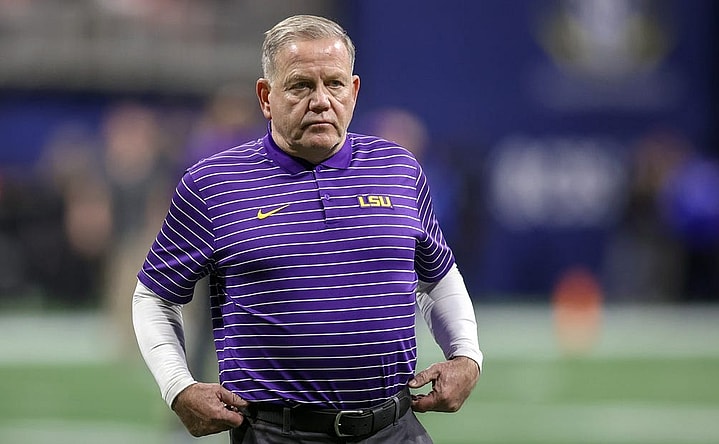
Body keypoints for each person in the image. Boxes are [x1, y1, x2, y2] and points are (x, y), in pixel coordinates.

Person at [132, 14, 482, 443]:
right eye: (301, 85)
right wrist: (177, 386)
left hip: (395, 428)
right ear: (266, 96)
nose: (321, 101)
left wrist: (466, 354)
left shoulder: (398, 169)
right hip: (277, 433)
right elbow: (153, 297)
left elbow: (438, 276)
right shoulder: (214, 183)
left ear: (353, 92)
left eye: (334, 84)